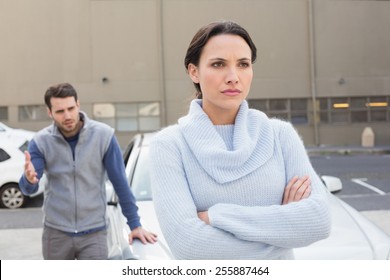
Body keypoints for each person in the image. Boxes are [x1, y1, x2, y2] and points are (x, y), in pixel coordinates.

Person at [149, 21, 331, 259]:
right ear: (193, 71)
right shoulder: (170, 145)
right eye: (218, 64)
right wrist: (281, 229)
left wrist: (216, 216)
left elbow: (318, 221)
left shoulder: (280, 135)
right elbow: (189, 246)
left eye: (243, 64)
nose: (233, 77)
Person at [19, 83, 157, 260]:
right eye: (60, 111)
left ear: (78, 104)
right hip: (56, 233)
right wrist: (29, 180)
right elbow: (28, 188)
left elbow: (120, 183)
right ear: (49, 112)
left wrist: (135, 225)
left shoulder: (104, 136)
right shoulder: (40, 141)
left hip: (94, 233)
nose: (67, 115)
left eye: (71, 108)